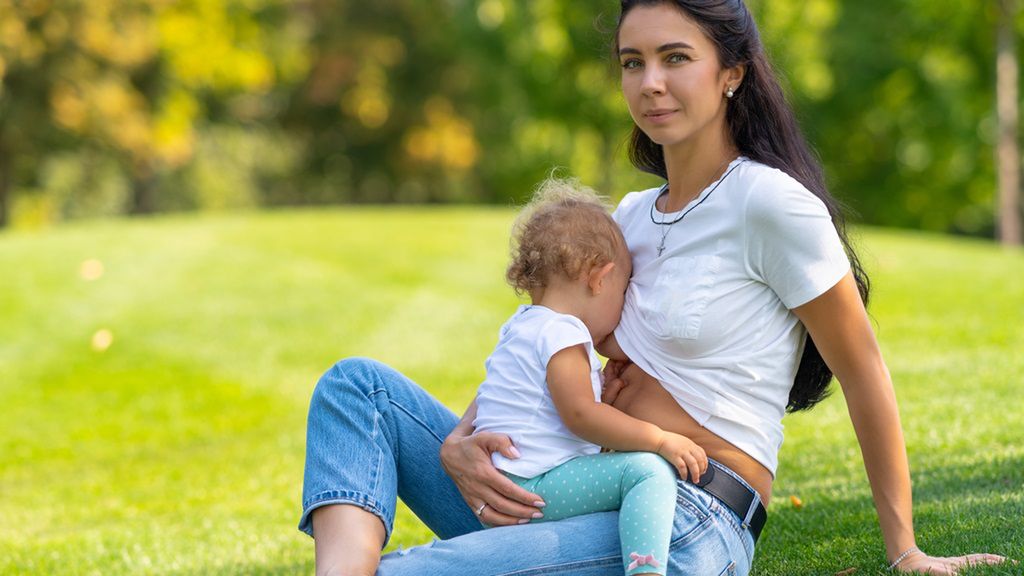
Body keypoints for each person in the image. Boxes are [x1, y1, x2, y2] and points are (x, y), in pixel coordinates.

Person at [299, 1, 1010, 574]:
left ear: (732, 72)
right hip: (569, 487)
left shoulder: (771, 205)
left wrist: (905, 551)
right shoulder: (628, 219)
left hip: (687, 517)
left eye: (676, 58)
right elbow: (548, 343)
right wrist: (461, 437)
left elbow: (864, 370)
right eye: (632, 62)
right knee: (357, 389)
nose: (650, 83)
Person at [472, 178, 708, 576]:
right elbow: (580, 416)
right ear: (600, 278)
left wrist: (602, 390)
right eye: (624, 290)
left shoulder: (523, 325)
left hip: (504, 482)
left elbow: (551, 407)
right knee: (647, 472)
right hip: (533, 484)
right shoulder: (565, 334)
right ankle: (646, 570)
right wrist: (660, 438)